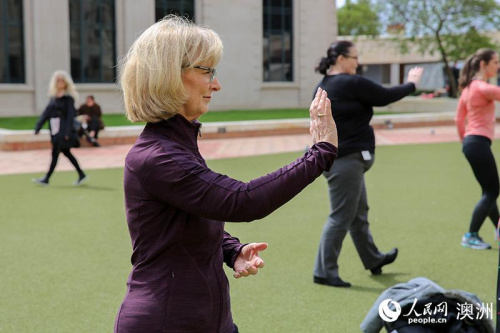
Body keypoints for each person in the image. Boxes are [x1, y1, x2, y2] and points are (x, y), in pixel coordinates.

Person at [114, 16, 338, 333]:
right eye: (206, 71)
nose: (216, 84)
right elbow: (242, 201)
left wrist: (230, 250)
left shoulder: (177, 145)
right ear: (168, 76)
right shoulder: (158, 156)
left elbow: (187, 222)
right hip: (166, 322)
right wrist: (322, 152)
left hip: (210, 321)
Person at [312, 40, 423, 288]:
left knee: (358, 214)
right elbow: (385, 96)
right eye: (354, 57)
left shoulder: (323, 86)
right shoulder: (349, 83)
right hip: (345, 161)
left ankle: (373, 259)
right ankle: (324, 272)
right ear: (341, 59)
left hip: (340, 161)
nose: (357, 62)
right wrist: (412, 84)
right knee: (341, 216)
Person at [455, 48, 500, 250]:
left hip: (471, 143)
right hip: (478, 142)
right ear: (483, 64)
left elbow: (458, 119)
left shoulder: (467, 89)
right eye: (495, 63)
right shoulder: (483, 87)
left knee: (488, 190)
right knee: (492, 190)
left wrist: (464, 141)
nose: (498, 67)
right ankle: (471, 235)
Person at [32, 70, 87, 186]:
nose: (60, 83)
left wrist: (67, 133)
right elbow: (46, 113)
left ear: (66, 82)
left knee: (55, 154)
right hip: (54, 130)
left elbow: (70, 117)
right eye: (58, 80)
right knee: (66, 153)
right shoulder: (53, 97)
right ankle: (81, 174)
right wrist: (38, 127)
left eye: (62, 80)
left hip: (62, 132)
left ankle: (47, 178)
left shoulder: (68, 98)